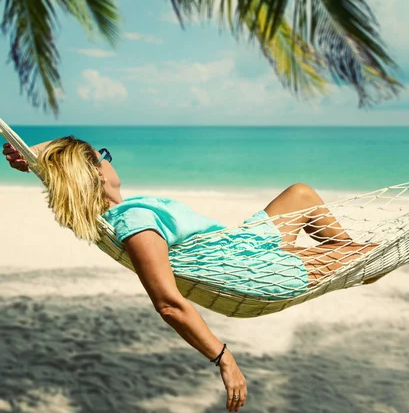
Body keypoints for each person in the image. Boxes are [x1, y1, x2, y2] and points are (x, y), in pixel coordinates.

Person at [2, 137, 380, 412]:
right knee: (366, 255)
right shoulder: (134, 221)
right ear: (96, 174)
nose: (108, 158)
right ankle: (362, 265)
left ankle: (355, 264)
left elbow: (64, 168)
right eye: (102, 155)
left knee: (300, 194)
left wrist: (32, 157)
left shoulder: (122, 211)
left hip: (241, 245)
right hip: (253, 272)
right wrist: (224, 359)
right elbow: (167, 303)